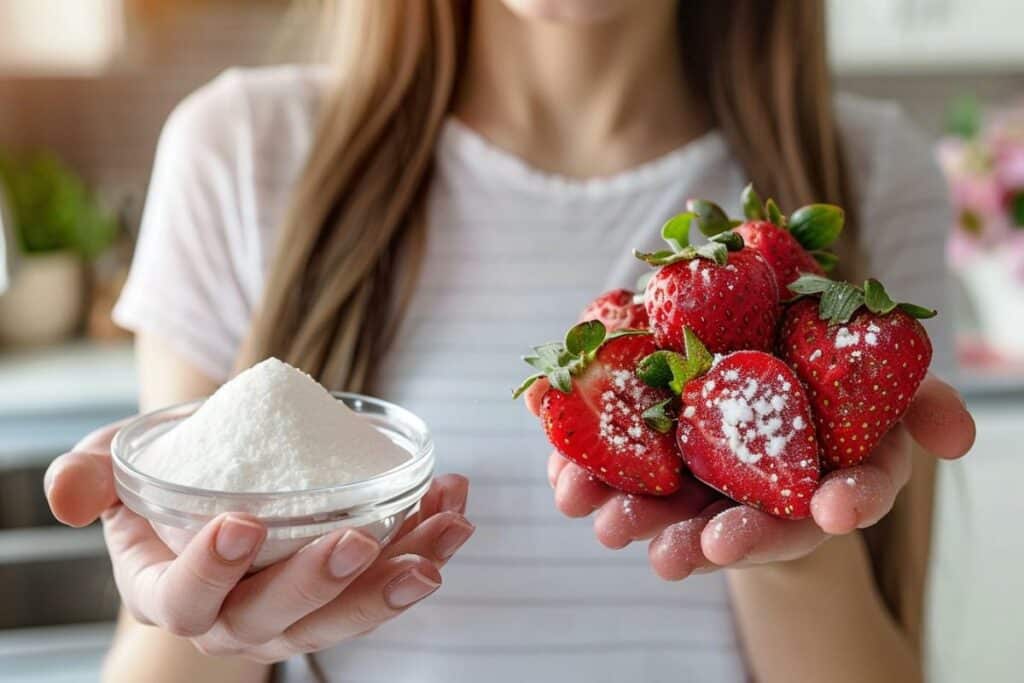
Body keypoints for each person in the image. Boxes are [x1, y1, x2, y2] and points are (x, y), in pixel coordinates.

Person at [44, 1, 976, 681]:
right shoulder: (241, 151)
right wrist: (204, 617)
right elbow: (168, 654)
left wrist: (791, 544)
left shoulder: (866, 170)